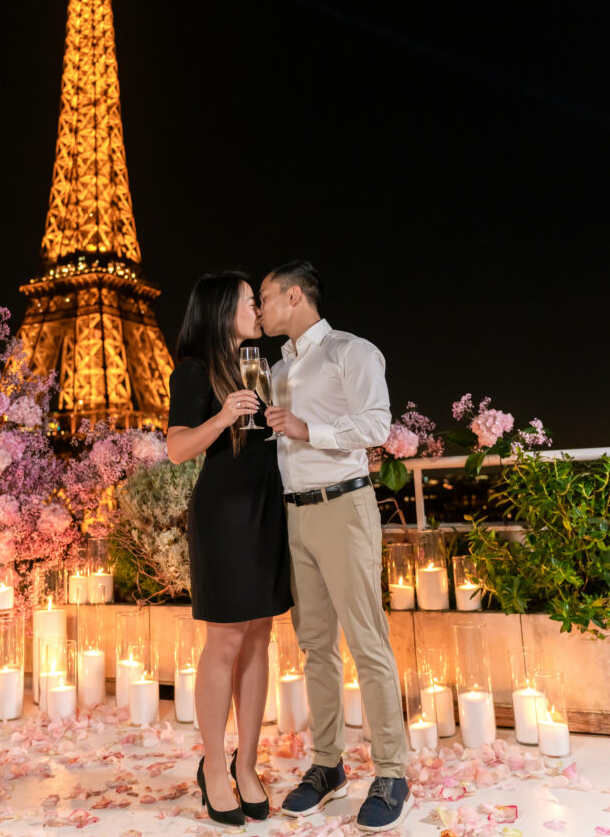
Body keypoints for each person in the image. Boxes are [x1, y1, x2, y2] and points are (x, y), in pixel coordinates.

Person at [260, 260, 410, 834]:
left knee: (367, 641)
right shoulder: (273, 369)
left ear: (295, 296)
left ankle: (392, 772)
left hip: (344, 506)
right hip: (295, 515)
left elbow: (376, 425)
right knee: (315, 645)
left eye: (267, 298)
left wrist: (306, 430)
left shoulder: (353, 352)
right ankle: (328, 766)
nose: (261, 308)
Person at [167, 271, 292, 827]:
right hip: (223, 515)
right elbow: (176, 450)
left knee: (261, 636)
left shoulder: (261, 368)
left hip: (267, 510)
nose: (258, 310)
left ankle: (248, 764)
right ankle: (214, 767)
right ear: (222, 310)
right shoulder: (194, 371)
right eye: (249, 302)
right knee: (225, 639)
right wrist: (221, 415)